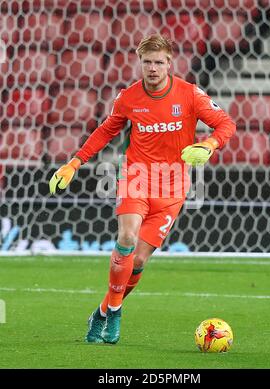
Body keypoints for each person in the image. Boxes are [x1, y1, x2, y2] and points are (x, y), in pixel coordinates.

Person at [49, 34, 236, 344]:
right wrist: (74, 163)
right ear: (140, 62)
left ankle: (104, 310)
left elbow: (226, 123)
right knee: (126, 237)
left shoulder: (190, 95)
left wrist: (210, 144)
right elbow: (105, 131)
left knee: (137, 262)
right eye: (147, 62)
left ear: (169, 64)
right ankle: (117, 313)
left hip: (173, 188)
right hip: (136, 178)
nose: (152, 68)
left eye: (158, 62)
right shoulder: (128, 98)